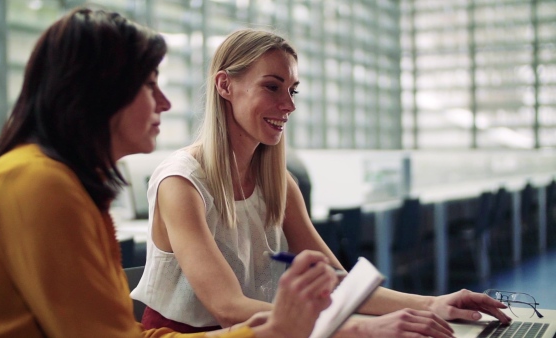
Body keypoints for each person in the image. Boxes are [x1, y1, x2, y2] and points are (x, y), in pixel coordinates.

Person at [0, 8, 338, 338]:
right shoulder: (38, 186)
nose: (165, 102)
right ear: (101, 91)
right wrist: (288, 329)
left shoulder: (62, 183)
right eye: (150, 85)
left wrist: (280, 329)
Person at [132, 28, 513, 337]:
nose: (289, 105)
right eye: (272, 87)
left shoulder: (279, 183)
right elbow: (228, 307)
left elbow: (337, 283)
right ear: (225, 86)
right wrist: (365, 328)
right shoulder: (181, 182)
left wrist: (432, 303)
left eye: (292, 90)